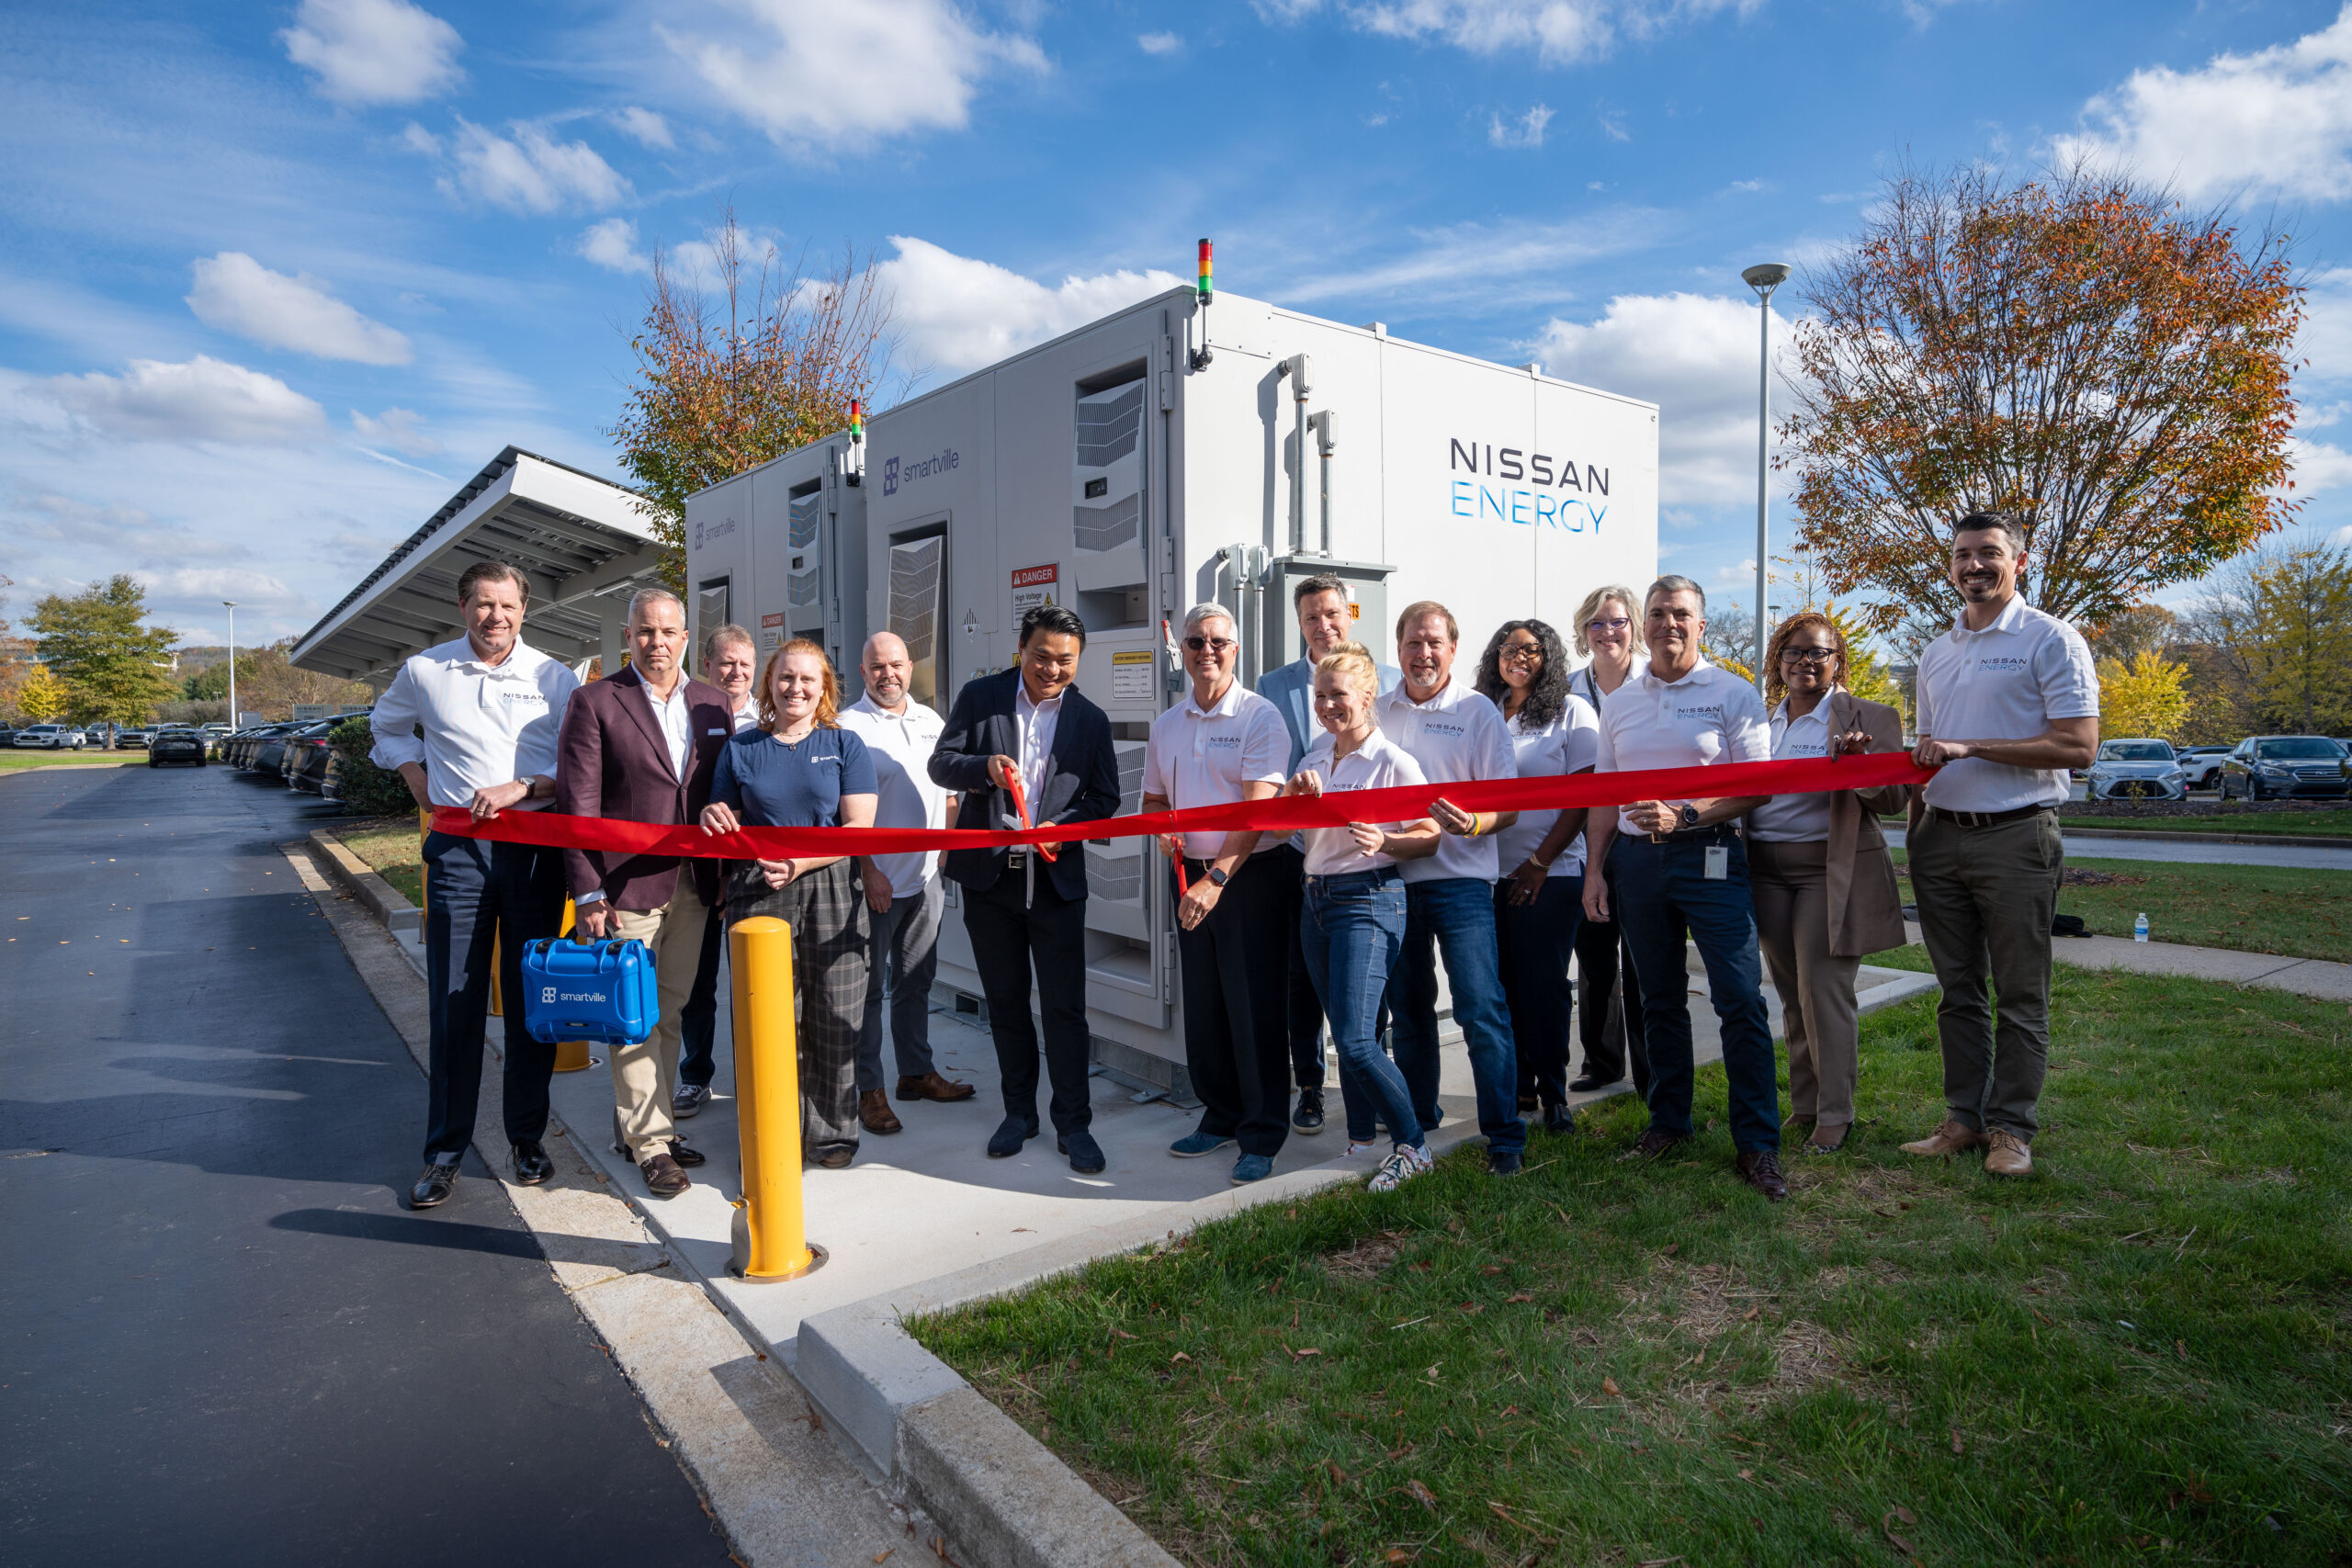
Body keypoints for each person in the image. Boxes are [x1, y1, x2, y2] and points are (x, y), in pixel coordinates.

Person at [370, 559, 580, 1210]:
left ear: (525, 610)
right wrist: (413, 774)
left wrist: (526, 787)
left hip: (534, 851)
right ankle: (444, 1151)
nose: (497, 617)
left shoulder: (556, 676)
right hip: (459, 853)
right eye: (484, 605)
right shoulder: (426, 671)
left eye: (508, 605)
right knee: (455, 1003)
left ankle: (526, 1138)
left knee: (529, 1002)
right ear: (463, 608)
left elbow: (576, 766)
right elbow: (386, 724)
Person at [1900, 511, 2099, 1178]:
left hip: (2017, 835)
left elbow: (2080, 746)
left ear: (2019, 561)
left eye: (1989, 553)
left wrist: (1973, 745)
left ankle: (2012, 1129)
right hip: (1939, 837)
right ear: (1949, 566)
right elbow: (1929, 757)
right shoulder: (1936, 650)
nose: (1974, 566)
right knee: (1958, 990)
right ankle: (1963, 1118)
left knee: (2020, 993)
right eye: (1962, 556)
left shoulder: (2052, 639)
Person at [1582, 577, 1784, 1200]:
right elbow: (1604, 794)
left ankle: (1757, 1144)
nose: (1668, 623)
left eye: (1681, 614)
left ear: (1701, 624)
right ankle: (1669, 1124)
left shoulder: (1732, 691)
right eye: (1658, 613)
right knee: (1658, 1000)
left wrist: (1687, 814)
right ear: (1644, 625)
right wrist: (1595, 867)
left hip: (1711, 856)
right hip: (1637, 864)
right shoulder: (1618, 703)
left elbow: (1758, 786)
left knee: (1739, 998)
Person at [929, 604, 1123, 1173]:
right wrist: (984, 768)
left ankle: (1073, 1122)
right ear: (1021, 648)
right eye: (1042, 656)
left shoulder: (1089, 719)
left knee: (1065, 1010)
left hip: (1057, 883)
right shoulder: (981, 696)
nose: (1052, 669)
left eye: (1065, 660)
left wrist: (1065, 828)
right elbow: (942, 764)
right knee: (1007, 1004)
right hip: (993, 881)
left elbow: (1106, 801)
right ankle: (1020, 1114)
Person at [555, 588, 734, 1199]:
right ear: (628, 636)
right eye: (646, 631)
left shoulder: (714, 703)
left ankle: (637, 1122)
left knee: (670, 1006)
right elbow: (576, 806)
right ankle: (652, 1142)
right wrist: (587, 891)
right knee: (632, 1017)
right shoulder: (595, 701)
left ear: (687, 637)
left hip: (696, 881)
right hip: (625, 884)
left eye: (669, 631)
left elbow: (724, 787)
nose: (658, 641)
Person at [698, 640, 879, 1169]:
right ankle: (772, 1129)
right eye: (784, 678)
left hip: (831, 888)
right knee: (768, 1019)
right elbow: (724, 810)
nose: (795, 688)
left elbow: (859, 830)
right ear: (768, 684)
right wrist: (714, 813)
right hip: (758, 890)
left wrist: (800, 862)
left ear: (824, 687)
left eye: (807, 679)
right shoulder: (742, 748)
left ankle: (831, 1134)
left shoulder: (845, 746)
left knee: (834, 1012)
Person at [1283, 642, 1443, 1193]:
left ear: (1368, 696)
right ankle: (1361, 1141)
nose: (1328, 706)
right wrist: (1292, 794)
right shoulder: (1311, 761)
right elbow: (1281, 826)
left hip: (1369, 899)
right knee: (1352, 1032)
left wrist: (1387, 840)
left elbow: (1430, 837)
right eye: (1321, 696)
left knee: (1354, 1040)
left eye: (1339, 695)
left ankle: (1413, 1145)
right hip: (1316, 900)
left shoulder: (1392, 762)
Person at [1141, 604, 1293, 1184]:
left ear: (1236, 648)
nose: (1208, 651)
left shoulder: (1260, 716)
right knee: (1203, 1003)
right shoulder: (1168, 723)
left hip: (1247, 877)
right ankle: (1221, 1114)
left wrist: (1218, 879)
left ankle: (1261, 1132)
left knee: (1253, 1007)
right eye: (1196, 642)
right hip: (1188, 874)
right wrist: (1163, 829)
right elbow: (1155, 800)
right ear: (1182, 649)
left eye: (1218, 642)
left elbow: (1258, 810)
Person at [1748, 612, 1908, 1156]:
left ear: (1838, 660)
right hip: (1765, 869)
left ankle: (1837, 1114)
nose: (1805, 662)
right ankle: (1806, 1103)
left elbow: (1894, 801)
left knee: (1824, 992)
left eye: (1818, 653)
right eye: (1793, 652)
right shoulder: (1759, 722)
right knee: (1791, 995)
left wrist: (1860, 766)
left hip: (1826, 871)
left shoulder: (1869, 716)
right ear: (1778, 660)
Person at [1379, 600, 1527, 1177]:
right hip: (1391, 883)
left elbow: (1507, 808)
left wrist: (1476, 822)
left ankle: (1504, 1138)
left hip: (1462, 883)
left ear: (1453, 649)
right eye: (1414, 642)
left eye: (1434, 642)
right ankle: (1418, 1129)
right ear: (1399, 648)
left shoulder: (1478, 713)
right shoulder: (1380, 709)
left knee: (1480, 1010)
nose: (1423, 653)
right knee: (1409, 1012)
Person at [1255, 575, 1403, 1135]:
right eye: (1312, 617)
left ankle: (1373, 1082)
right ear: (1300, 624)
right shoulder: (1275, 685)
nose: (1324, 625)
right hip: (1302, 851)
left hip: (1368, 854)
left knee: (1369, 977)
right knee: (1302, 979)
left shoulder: (1385, 681)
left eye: (1333, 614)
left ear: (1350, 615)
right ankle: (1311, 1086)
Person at [838, 631, 973, 1136]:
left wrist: (946, 850)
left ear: (910, 666)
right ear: (863, 670)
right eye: (877, 666)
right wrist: (868, 868)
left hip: (925, 881)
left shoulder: (931, 721)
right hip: (873, 884)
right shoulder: (847, 728)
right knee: (869, 993)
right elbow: (841, 813)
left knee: (916, 983)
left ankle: (914, 1073)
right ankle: (869, 1089)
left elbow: (951, 795)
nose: (887, 674)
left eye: (895, 664)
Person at [1474, 618, 1600, 1135]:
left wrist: (1541, 863)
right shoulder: (1482, 711)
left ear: (1549, 656)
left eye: (1530, 649)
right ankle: (1519, 1085)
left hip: (1552, 875)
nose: (1518, 657)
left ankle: (1554, 1093)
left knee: (1543, 986)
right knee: (1502, 987)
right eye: (1508, 648)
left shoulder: (1572, 711)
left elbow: (1581, 798)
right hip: (1486, 875)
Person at [674, 623, 761, 1122]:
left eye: (745, 664)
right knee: (698, 981)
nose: (736, 672)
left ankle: (757, 1073)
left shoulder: (767, 719)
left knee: (758, 979)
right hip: (701, 872)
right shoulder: (686, 713)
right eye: (727, 662)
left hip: (753, 872)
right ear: (706, 665)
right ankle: (696, 1075)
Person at [1565, 584, 1648, 1096]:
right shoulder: (1569, 692)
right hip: (1583, 841)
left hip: (1641, 836)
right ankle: (1601, 1061)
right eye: (1596, 623)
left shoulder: (1651, 686)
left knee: (1642, 959)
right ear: (1582, 632)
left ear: (1634, 628)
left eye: (1617, 622)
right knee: (1594, 955)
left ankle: (1647, 1068)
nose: (1607, 631)